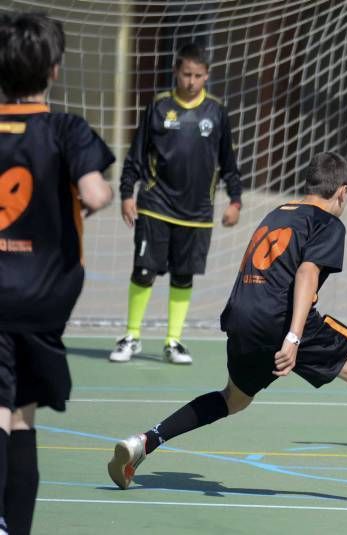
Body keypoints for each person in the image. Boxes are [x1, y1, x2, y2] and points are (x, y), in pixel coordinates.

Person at [108, 152, 347, 509]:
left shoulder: (278, 213)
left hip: (240, 314)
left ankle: (144, 442)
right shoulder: (328, 223)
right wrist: (293, 336)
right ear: (343, 192)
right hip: (280, 320)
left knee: (234, 399)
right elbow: (306, 273)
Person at [0, 12, 114, 534]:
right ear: (54, 71)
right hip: (46, 296)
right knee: (23, 414)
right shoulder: (67, 129)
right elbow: (94, 193)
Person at [109, 42, 242, 365]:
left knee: (184, 276)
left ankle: (173, 341)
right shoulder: (158, 106)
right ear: (176, 72)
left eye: (198, 75)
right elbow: (137, 154)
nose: (191, 81)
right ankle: (132, 335)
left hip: (197, 212)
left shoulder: (216, 111)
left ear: (207, 75)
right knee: (144, 271)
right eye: (186, 74)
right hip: (155, 204)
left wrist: (235, 199)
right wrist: (128, 193)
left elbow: (228, 160)